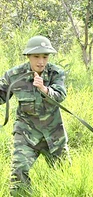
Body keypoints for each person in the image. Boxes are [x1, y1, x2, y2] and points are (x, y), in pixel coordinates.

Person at [0, 35, 70, 196]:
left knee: (64, 174)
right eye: (36, 56)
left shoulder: (56, 73)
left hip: (54, 134)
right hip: (26, 133)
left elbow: (60, 95)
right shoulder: (14, 75)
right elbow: (1, 95)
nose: (41, 61)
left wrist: (45, 90)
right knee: (19, 170)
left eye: (45, 57)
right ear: (28, 56)